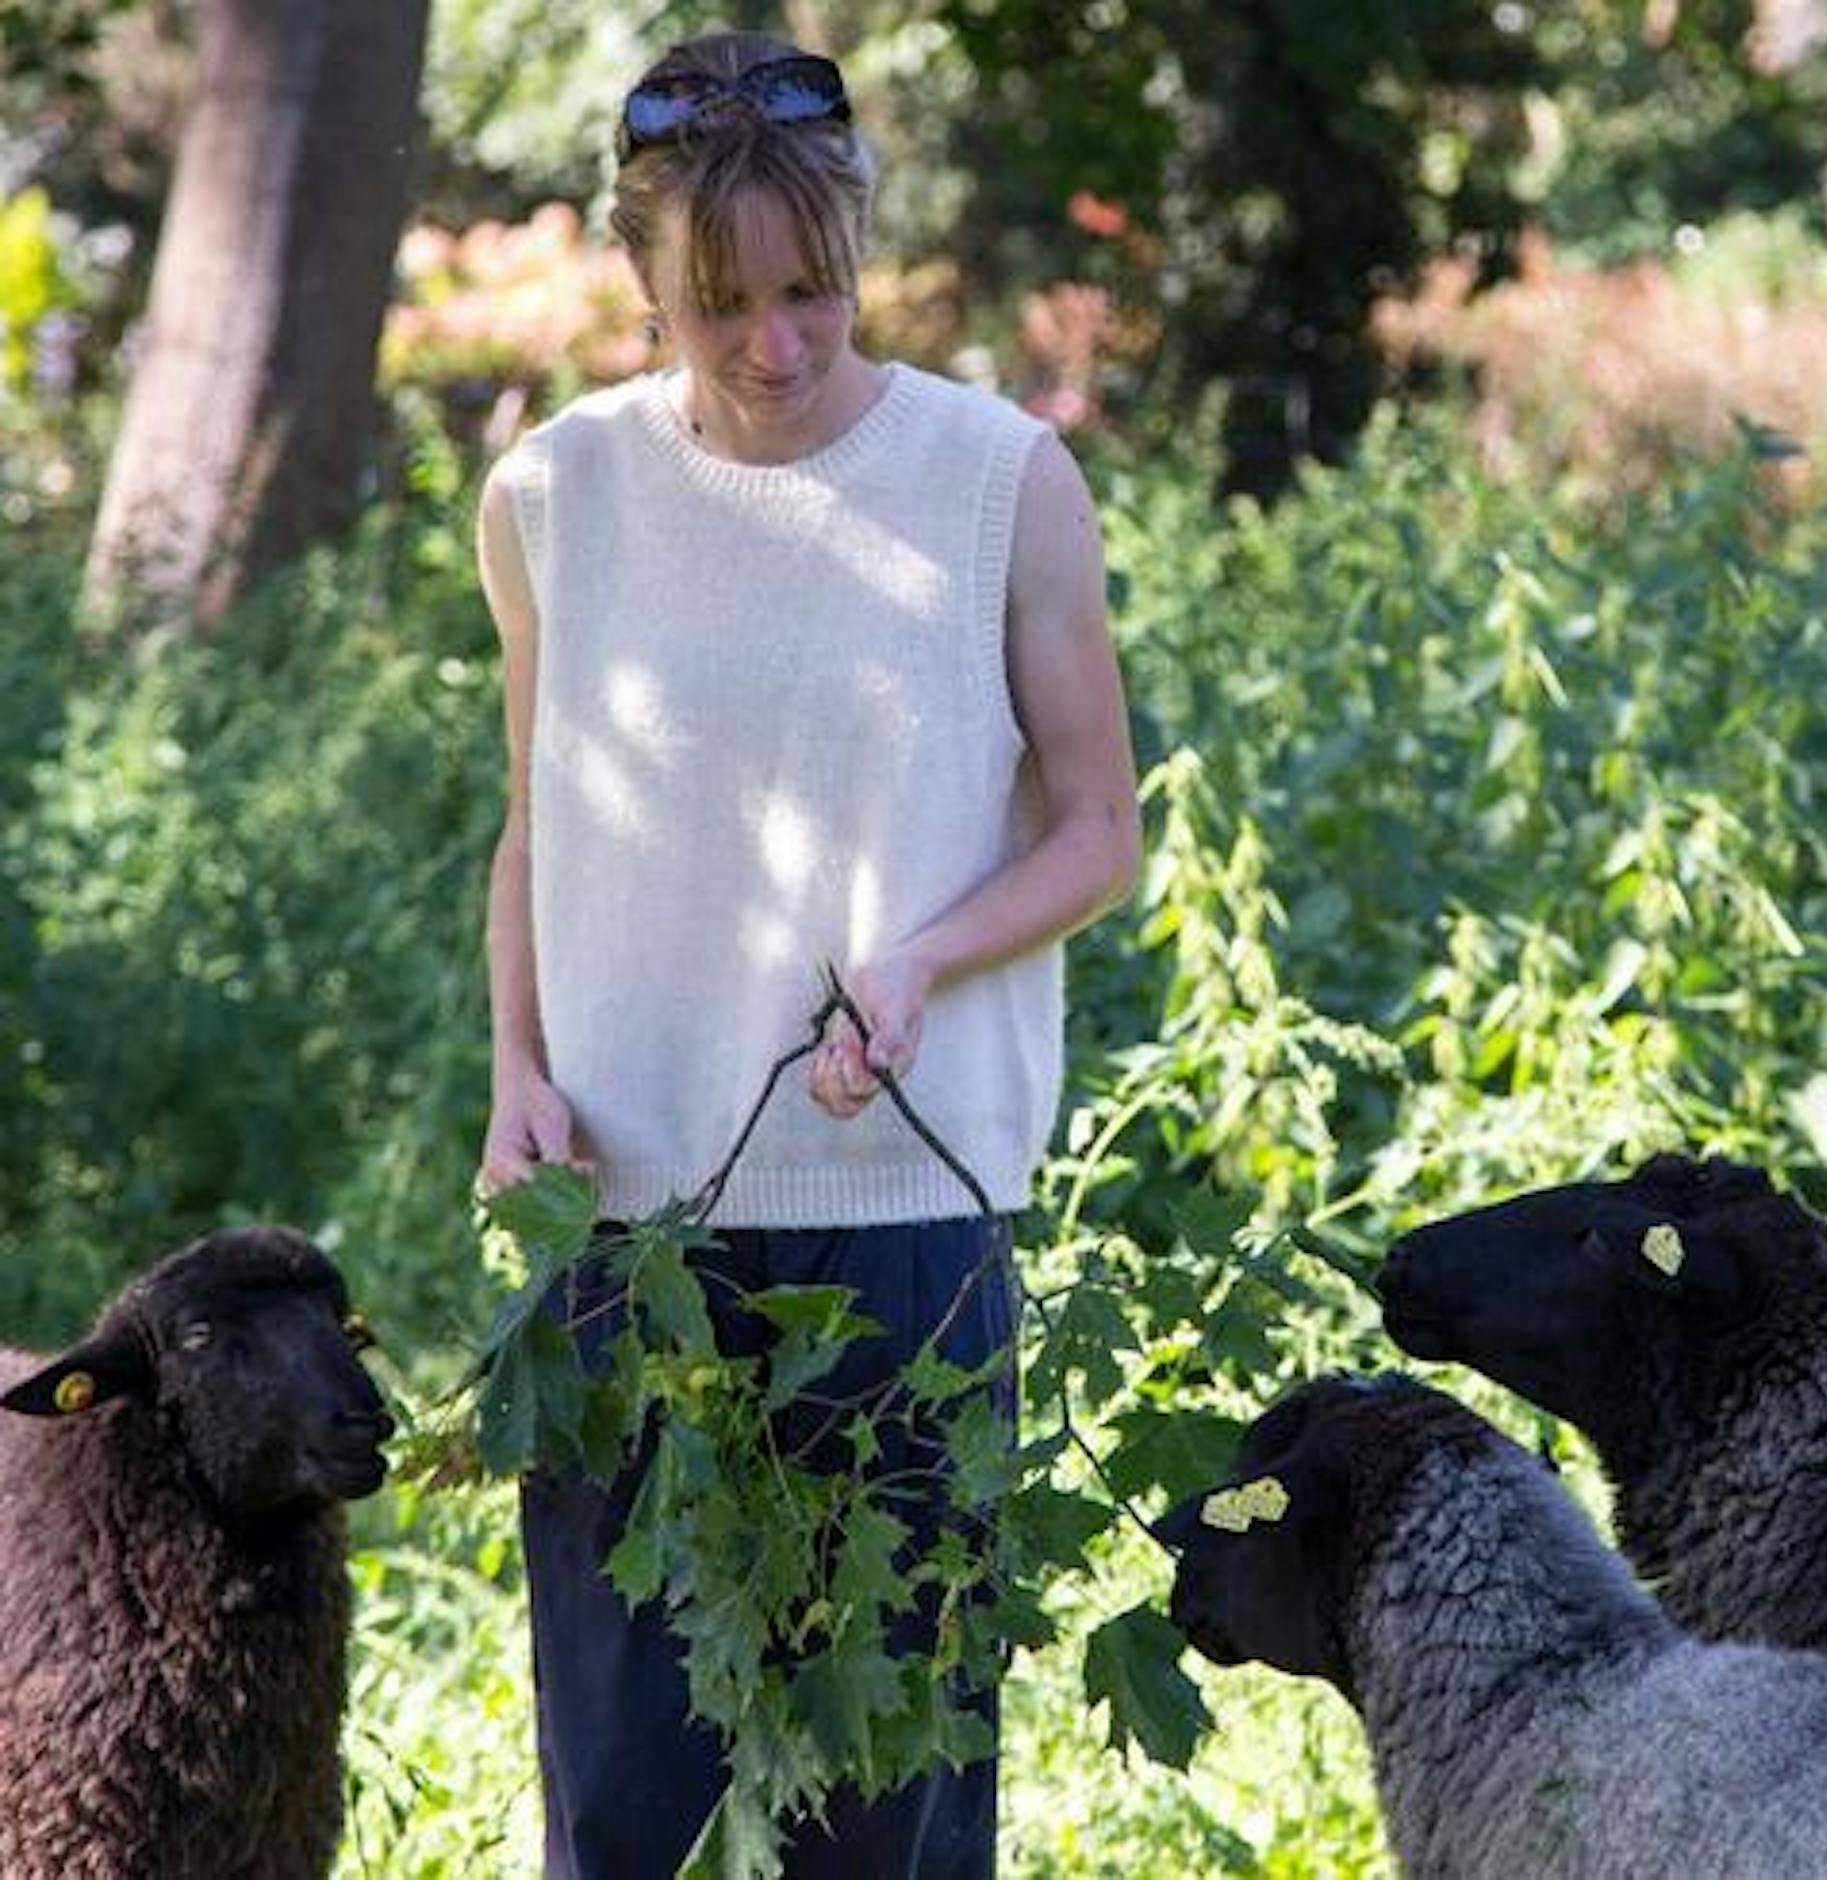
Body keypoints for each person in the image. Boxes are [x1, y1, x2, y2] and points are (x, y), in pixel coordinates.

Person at [475, 29, 1140, 1878]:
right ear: (642, 278)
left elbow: (1098, 828)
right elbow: (540, 818)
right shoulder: (551, 496)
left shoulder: (1000, 479)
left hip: (903, 1228)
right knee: (628, 1814)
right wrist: (519, 1081)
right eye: (720, 306)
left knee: (892, 1816)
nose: (772, 344)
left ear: (861, 250)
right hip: (622, 1235)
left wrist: (925, 960)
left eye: (812, 295)